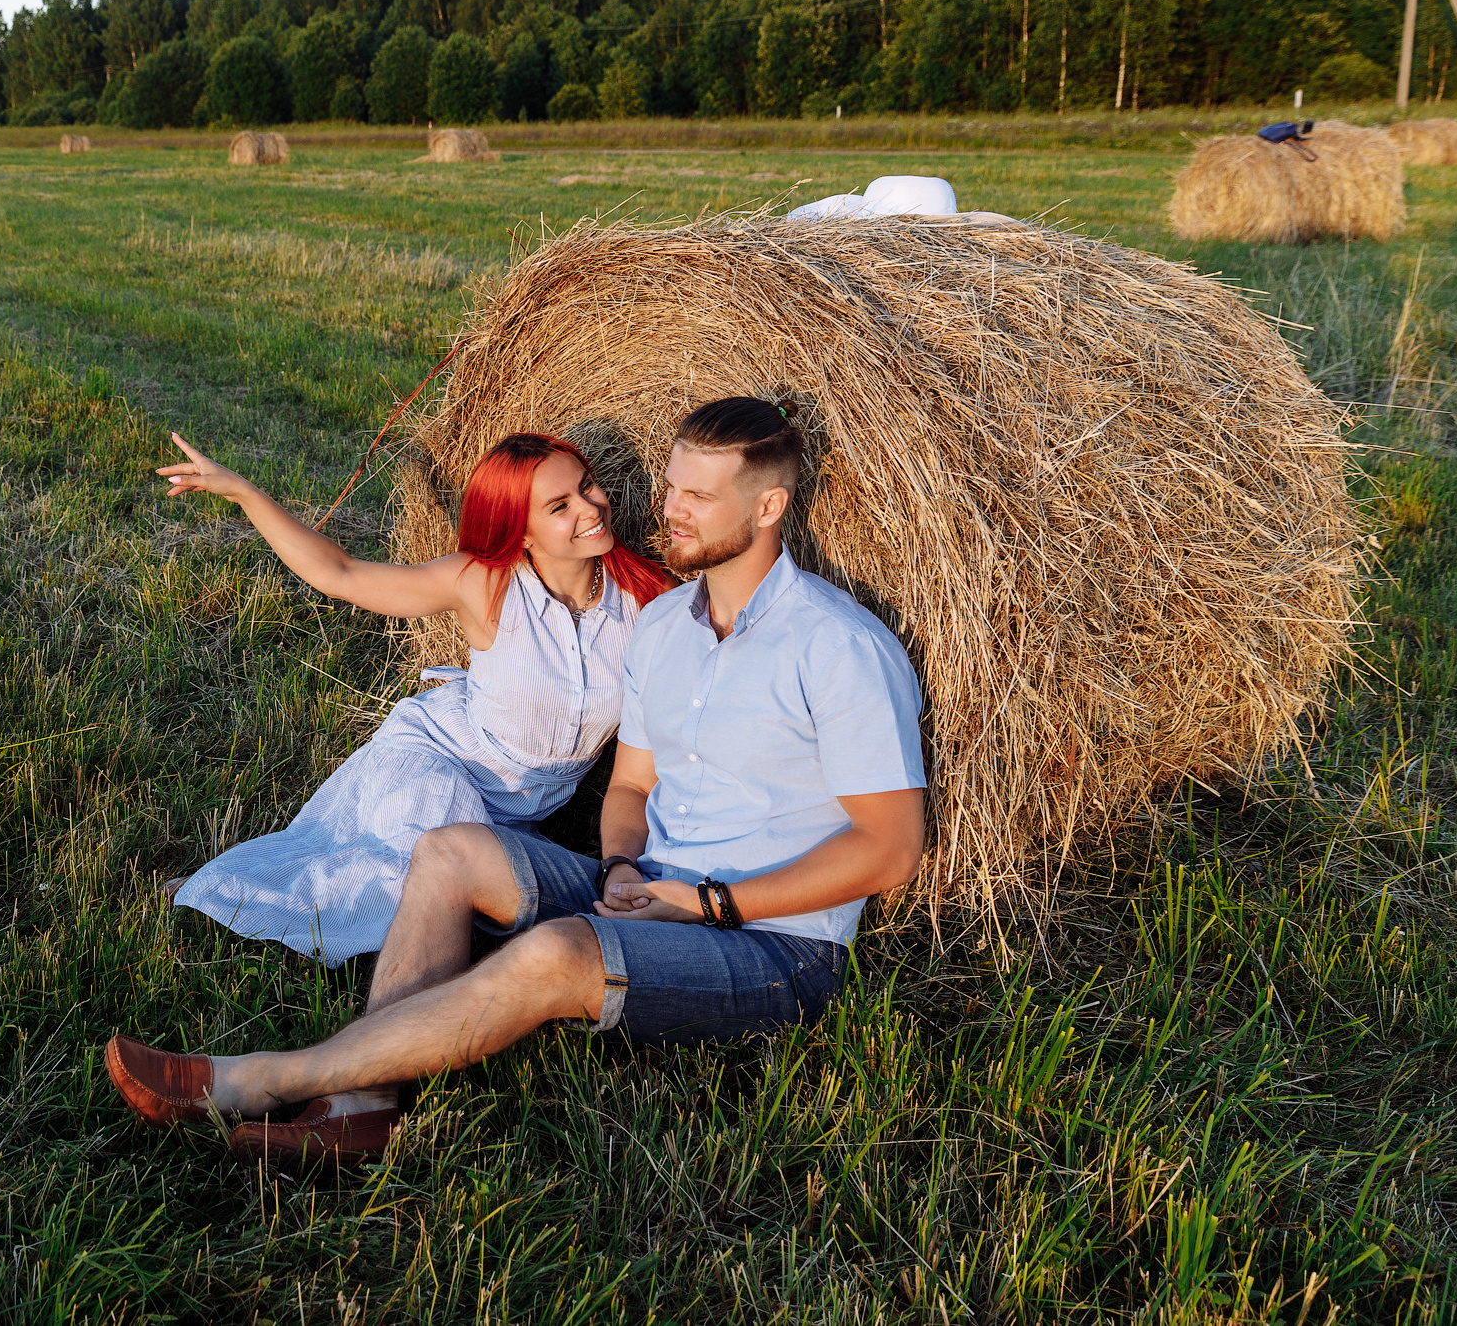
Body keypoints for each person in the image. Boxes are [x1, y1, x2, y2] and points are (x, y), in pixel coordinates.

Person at [108, 396, 928, 1167]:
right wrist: (619, 867)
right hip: (645, 885)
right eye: (670, 486)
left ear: (768, 508)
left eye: (697, 497)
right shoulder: (665, 633)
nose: (666, 508)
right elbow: (630, 788)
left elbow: (891, 852)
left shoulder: (837, 646)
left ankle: (274, 1078)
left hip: (775, 945)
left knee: (557, 952)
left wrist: (709, 903)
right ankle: (362, 1104)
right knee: (449, 850)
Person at [156, 428, 675, 964]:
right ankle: (237, 897)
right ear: (520, 531)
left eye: (588, 487)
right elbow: (343, 574)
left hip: (523, 807)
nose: (591, 508)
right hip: (443, 758)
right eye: (559, 506)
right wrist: (242, 491)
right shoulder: (483, 584)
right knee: (410, 874)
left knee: (496, 887)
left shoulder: (645, 602)